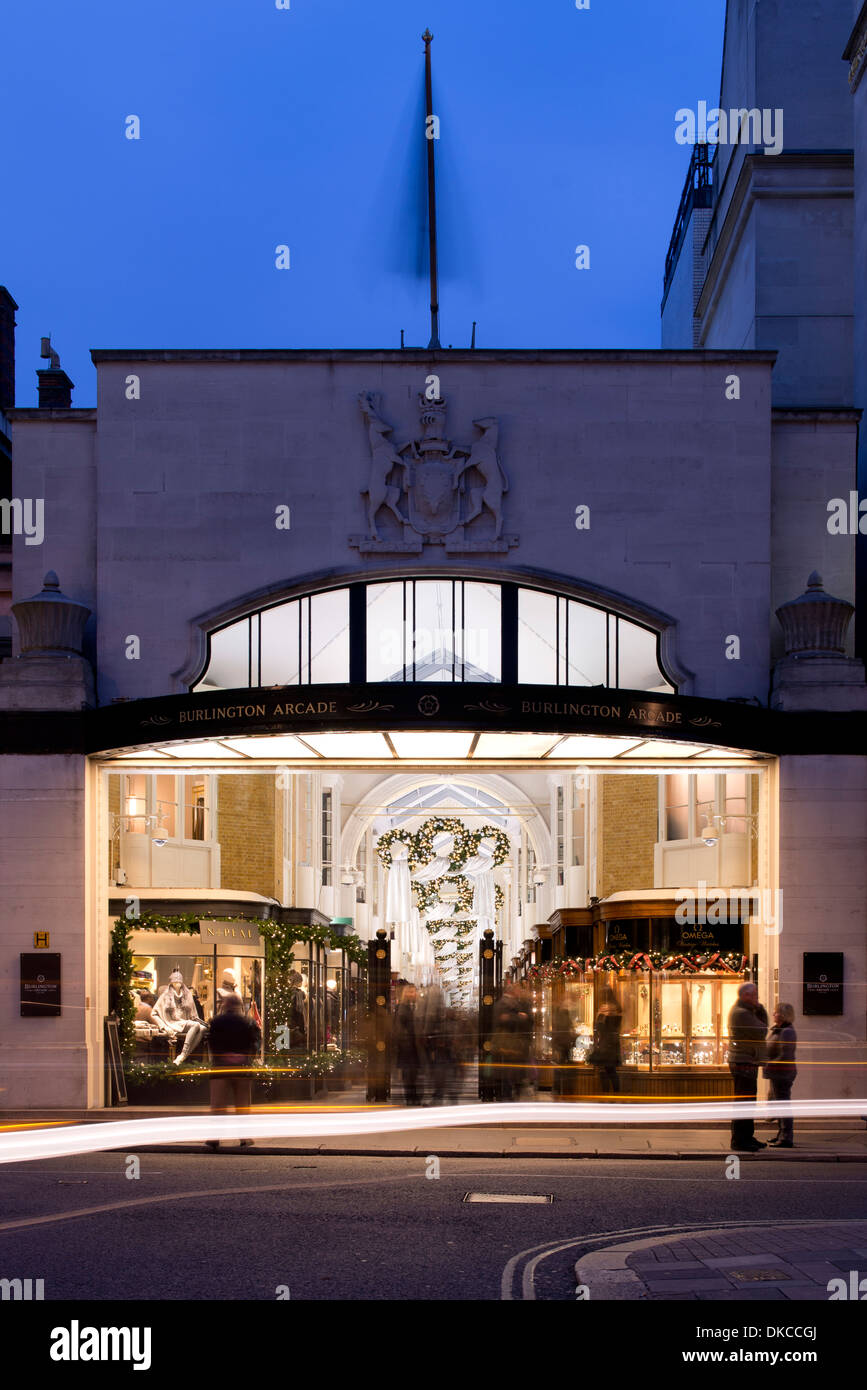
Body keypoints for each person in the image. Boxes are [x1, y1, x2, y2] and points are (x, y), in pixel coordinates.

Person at [205, 992, 260, 1151]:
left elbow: (212, 1042)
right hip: (242, 1068)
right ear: (239, 1006)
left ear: (225, 1005)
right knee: (242, 1104)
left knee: (218, 1105)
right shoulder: (247, 1022)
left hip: (220, 1068)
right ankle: (244, 1137)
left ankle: (215, 1137)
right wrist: (248, 1058)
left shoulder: (216, 1022)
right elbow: (254, 1043)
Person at [727, 981, 768, 1152]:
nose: (757, 998)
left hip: (748, 1060)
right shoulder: (741, 1013)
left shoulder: (744, 1011)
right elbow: (762, 1029)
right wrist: (760, 1009)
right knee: (744, 1101)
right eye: (755, 995)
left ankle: (747, 1137)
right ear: (746, 996)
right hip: (743, 1061)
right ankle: (740, 1139)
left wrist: (757, 1009)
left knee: (748, 1100)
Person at [764, 1002, 797, 1148]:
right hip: (776, 1072)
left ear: (783, 1015)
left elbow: (785, 1055)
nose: (773, 1014)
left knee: (783, 1104)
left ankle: (786, 1137)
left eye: (776, 1012)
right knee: (779, 1103)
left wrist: (769, 1064)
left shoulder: (787, 1032)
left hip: (782, 1073)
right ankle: (781, 1134)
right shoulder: (778, 1030)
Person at [393, 984, 424, 1106]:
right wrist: (406, 1043)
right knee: (409, 1074)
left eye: (414, 992)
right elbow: (400, 1028)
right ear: (405, 994)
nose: (413, 994)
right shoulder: (402, 1008)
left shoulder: (413, 1007)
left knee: (413, 1074)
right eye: (410, 992)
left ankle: (413, 1096)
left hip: (413, 1046)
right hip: (407, 1047)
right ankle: (410, 1097)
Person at [589, 987, 622, 1094]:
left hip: (606, 1045)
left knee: (607, 1071)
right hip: (612, 1044)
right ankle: (613, 1094)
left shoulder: (605, 1011)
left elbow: (599, 1028)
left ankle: (607, 1094)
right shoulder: (616, 1009)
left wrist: (600, 1015)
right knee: (610, 1071)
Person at [552, 1001, 577, 1097]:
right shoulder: (564, 1015)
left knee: (559, 1067)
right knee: (563, 1067)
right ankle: (565, 1088)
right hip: (564, 1044)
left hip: (560, 1044)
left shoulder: (559, 1015)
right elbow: (567, 1030)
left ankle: (558, 1089)